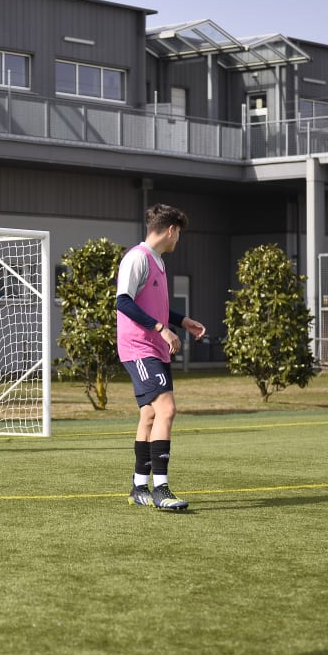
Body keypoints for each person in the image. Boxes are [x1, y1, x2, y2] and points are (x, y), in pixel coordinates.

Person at [116, 204, 207, 511]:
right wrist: (160, 328)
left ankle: (139, 488)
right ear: (170, 230)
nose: (177, 240)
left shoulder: (158, 262)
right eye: (178, 234)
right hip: (138, 347)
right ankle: (161, 489)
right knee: (167, 409)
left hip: (154, 347)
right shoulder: (137, 258)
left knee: (150, 415)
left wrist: (181, 322)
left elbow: (155, 307)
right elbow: (123, 303)